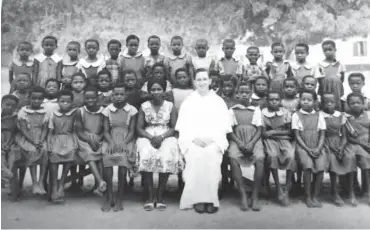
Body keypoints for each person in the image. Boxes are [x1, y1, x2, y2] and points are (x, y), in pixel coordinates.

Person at [176, 70, 232, 213]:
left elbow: (224, 125)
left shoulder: (218, 101)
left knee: (211, 154)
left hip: (213, 139)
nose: (201, 82)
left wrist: (211, 138)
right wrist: (193, 139)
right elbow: (183, 124)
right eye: (198, 80)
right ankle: (197, 199)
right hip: (193, 139)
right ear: (194, 82)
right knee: (195, 155)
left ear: (210, 81)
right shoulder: (189, 101)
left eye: (204, 79)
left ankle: (211, 199)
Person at [136, 78, 182, 211]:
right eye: (153, 89)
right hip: (148, 134)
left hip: (166, 134)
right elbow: (139, 128)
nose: (156, 92)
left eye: (159, 89)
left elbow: (174, 127)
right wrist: (151, 137)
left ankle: (160, 194)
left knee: (167, 153)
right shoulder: (144, 106)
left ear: (164, 90)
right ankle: (151, 196)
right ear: (149, 91)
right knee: (146, 152)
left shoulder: (170, 106)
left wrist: (161, 137)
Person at [101, 84, 138, 212]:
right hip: (111, 137)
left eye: (121, 94)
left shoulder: (131, 110)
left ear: (126, 95)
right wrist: (110, 142)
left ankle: (120, 197)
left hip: (126, 137)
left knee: (123, 159)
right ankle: (110, 195)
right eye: (116, 94)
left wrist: (124, 142)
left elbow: (132, 131)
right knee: (107, 157)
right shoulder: (107, 110)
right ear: (112, 96)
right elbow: (105, 130)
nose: (119, 97)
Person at [227, 87, 264, 211]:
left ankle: (255, 195)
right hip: (237, 139)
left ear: (250, 94)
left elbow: (259, 130)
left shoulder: (256, 109)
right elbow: (230, 131)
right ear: (237, 94)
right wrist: (240, 143)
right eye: (241, 92)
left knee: (260, 158)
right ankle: (242, 194)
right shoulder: (232, 110)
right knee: (233, 157)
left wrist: (252, 143)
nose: (244, 94)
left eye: (246, 92)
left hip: (253, 139)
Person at [292, 90, 327, 208]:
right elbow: (297, 136)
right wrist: (307, 149)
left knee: (320, 167)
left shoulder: (319, 115)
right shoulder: (296, 115)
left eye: (309, 100)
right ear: (299, 100)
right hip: (303, 145)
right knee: (307, 166)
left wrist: (318, 148)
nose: (306, 102)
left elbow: (322, 134)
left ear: (315, 101)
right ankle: (307, 196)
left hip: (317, 145)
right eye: (303, 99)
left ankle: (315, 196)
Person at [321, 93, 357, 206]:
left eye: (332, 101)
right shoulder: (319, 115)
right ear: (322, 103)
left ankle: (351, 192)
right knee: (332, 159)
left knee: (350, 156)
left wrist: (341, 147)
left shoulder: (341, 115)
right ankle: (334, 192)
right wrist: (331, 147)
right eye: (326, 102)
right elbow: (320, 135)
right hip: (326, 143)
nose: (329, 104)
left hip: (340, 142)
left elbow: (345, 136)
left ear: (336, 103)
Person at [261, 91, 294, 206]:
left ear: (280, 101)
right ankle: (278, 187)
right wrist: (279, 133)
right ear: (267, 101)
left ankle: (287, 187)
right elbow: (264, 134)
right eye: (271, 99)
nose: (274, 102)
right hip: (269, 141)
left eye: (276, 99)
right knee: (272, 155)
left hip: (284, 140)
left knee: (291, 155)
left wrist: (273, 132)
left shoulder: (285, 112)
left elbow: (290, 132)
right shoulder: (263, 113)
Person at [15, 86, 48, 196]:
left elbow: (45, 128)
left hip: (41, 136)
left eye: (39, 99)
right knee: (33, 150)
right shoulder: (23, 111)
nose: (36, 101)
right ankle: (34, 182)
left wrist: (41, 141)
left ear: (43, 99)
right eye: (34, 98)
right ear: (29, 98)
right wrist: (34, 142)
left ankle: (41, 182)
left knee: (45, 150)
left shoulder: (45, 111)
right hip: (28, 137)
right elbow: (23, 129)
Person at [75, 87, 107, 199]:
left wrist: (98, 138)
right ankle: (100, 182)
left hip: (99, 137)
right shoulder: (80, 111)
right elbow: (79, 131)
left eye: (93, 98)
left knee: (102, 152)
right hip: (84, 138)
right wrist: (89, 140)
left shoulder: (104, 111)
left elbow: (105, 129)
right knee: (89, 152)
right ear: (84, 98)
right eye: (87, 98)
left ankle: (98, 186)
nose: (90, 100)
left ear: (97, 98)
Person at [47, 90, 78, 203]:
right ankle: (55, 186)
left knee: (71, 152)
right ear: (57, 102)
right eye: (62, 101)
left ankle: (62, 183)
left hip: (69, 137)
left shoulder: (74, 114)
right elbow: (50, 132)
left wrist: (75, 142)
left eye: (68, 102)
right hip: (56, 137)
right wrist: (49, 143)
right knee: (53, 154)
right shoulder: (53, 114)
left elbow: (74, 131)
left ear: (72, 102)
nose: (65, 104)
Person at [344, 93, 370, 205]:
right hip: (352, 144)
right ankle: (351, 192)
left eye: (358, 102)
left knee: (365, 161)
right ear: (348, 104)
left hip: (366, 144)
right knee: (350, 159)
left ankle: (368, 192)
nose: (355, 105)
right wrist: (363, 145)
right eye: (352, 103)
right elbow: (348, 137)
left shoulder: (368, 115)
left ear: (363, 103)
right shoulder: (346, 117)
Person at [315, 40, 345, 111]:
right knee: (326, 104)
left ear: (335, 50)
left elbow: (342, 79)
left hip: (337, 89)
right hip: (325, 88)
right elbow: (320, 80)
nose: (327, 52)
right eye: (325, 50)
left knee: (336, 105)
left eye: (330, 49)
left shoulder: (339, 64)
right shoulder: (320, 64)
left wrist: (335, 83)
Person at [1, 95, 20, 182]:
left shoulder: (16, 118)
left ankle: (8, 175)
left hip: (12, 141)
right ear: (1, 104)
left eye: (13, 106)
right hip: (1, 141)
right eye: (7, 104)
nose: (10, 107)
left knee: (14, 152)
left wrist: (10, 143)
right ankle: (3, 169)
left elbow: (17, 133)